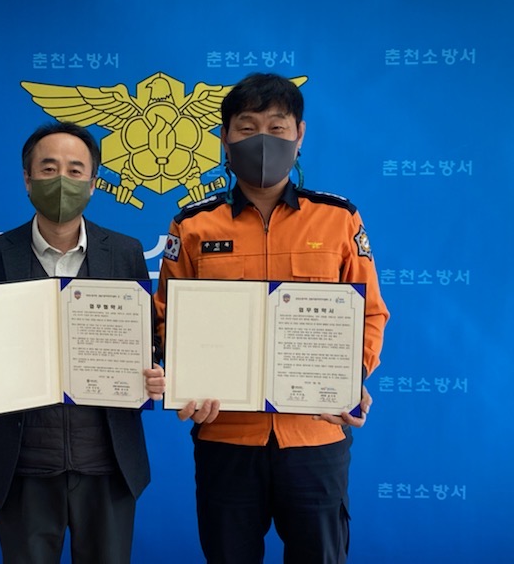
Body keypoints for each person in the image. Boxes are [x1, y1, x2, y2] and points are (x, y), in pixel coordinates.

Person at [153, 73, 389, 564]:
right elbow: (166, 319)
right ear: (225, 137)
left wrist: (350, 377)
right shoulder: (192, 225)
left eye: (277, 127)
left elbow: (369, 313)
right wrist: (183, 378)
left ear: (299, 135)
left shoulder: (339, 219)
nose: (263, 139)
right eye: (247, 127)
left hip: (315, 434)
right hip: (225, 434)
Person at [0, 121, 165, 564]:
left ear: (93, 182)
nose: (62, 181)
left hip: (107, 461)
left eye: (74, 170)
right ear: (27, 179)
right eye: (48, 169)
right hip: (24, 463)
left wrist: (155, 372)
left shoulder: (123, 252)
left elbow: (146, 340)